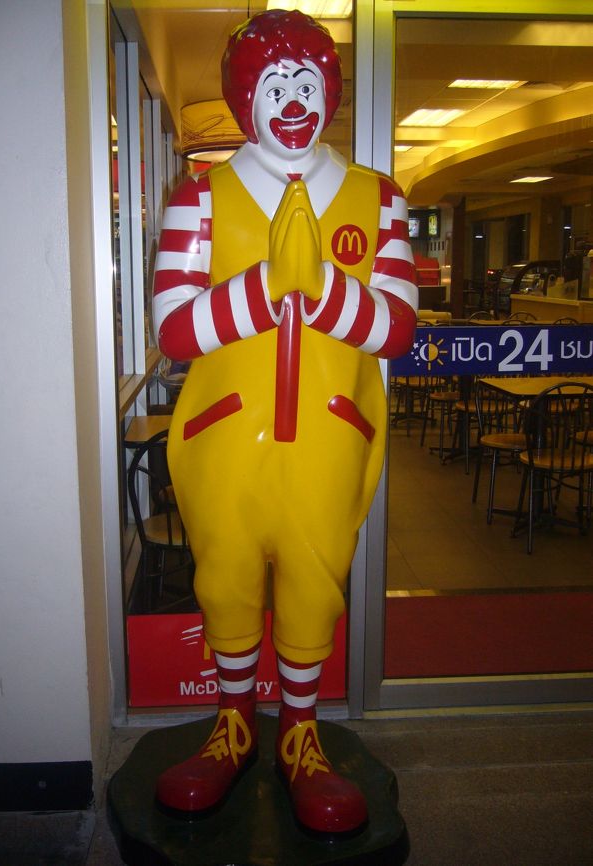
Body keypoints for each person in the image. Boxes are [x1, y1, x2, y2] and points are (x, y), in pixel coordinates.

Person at [152, 9, 417, 834]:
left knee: (312, 583)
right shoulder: (201, 196)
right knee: (226, 578)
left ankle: (301, 735)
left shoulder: (379, 199)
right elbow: (172, 328)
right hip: (224, 439)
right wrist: (268, 289)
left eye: (306, 83)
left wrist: (325, 291)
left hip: (329, 440)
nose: (293, 102)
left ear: (330, 91)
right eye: (273, 86)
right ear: (244, 99)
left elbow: (398, 329)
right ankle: (233, 727)